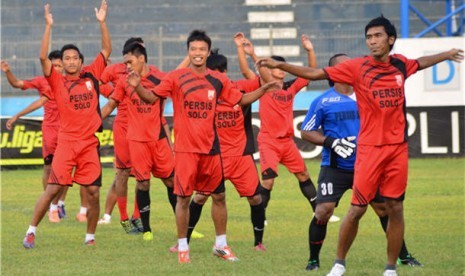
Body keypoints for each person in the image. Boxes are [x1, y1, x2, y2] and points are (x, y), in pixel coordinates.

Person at [257, 15, 463, 276]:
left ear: (390, 40)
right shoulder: (353, 72)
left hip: (397, 149)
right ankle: (336, 263)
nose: (372, 41)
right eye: (368, 37)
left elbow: (420, 63)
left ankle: (392, 267)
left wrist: (446, 54)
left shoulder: (400, 65)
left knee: (393, 207)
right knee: (352, 209)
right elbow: (315, 76)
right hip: (363, 153)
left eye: (377, 36)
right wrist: (281, 66)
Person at [135, 30, 278, 263]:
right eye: (194, 49)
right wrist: (136, 87)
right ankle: (183, 248)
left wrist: (262, 90)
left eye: (202, 49)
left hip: (212, 150)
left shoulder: (219, 80)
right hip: (185, 150)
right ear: (188, 52)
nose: (198, 53)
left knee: (219, 197)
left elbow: (239, 100)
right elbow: (151, 98)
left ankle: (221, 245)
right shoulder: (176, 77)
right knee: (183, 199)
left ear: (208, 52)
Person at [301, 53, 422, 271]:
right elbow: (306, 131)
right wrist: (331, 142)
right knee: (323, 211)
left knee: (385, 209)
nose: (353, 67)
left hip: (369, 165)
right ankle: (313, 260)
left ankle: (403, 256)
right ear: (335, 72)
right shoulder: (322, 101)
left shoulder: (368, 94)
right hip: (335, 167)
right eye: (345, 65)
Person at [22, 0, 111, 248]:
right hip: (67, 143)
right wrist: (48, 26)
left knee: (93, 192)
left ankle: (90, 238)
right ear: (62, 62)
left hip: (89, 144)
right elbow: (42, 56)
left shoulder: (92, 74)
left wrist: (102, 23)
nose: (71, 61)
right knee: (52, 189)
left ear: (81, 61)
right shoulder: (57, 82)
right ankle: (31, 232)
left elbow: (106, 49)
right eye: (66, 58)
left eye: (74, 58)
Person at [170, 45, 267, 253]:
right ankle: (182, 241)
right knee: (199, 197)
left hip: (240, 156)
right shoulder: (201, 93)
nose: (222, 77)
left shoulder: (239, 87)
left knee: (256, 197)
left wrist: (249, 53)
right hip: (215, 156)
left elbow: (264, 81)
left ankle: (258, 242)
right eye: (217, 73)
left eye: (223, 72)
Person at [101, 38, 177, 240]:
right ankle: (127, 220)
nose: (126, 66)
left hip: (157, 137)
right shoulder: (122, 80)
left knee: (171, 179)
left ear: (142, 58)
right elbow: (108, 102)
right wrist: (90, 124)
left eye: (130, 62)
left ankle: (183, 224)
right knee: (126, 176)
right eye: (125, 63)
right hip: (130, 134)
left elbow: (176, 81)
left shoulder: (159, 77)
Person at [249, 33, 325, 224]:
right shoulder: (267, 85)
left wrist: (310, 50)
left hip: (287, 142)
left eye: (281, 66)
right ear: (271, 69)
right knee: (268, 181)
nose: (280, 69)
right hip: (269, 141)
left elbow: (310, 72)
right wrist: (252, 54)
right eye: (276, 66)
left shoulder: (290, 88)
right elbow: (262, 70)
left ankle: (318, 212)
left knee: (303, 174)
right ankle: (261, 216)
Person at [2, 54, 69, 223]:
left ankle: (59, 203)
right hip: (50, 131)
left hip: (68, 131)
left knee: (66, 171)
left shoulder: (70, 82)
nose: (57, 69)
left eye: (59, 66)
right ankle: (51, 206)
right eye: (53, 66)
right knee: (49, 168)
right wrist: (8, 72)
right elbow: (17, 84)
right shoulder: (42, 81)